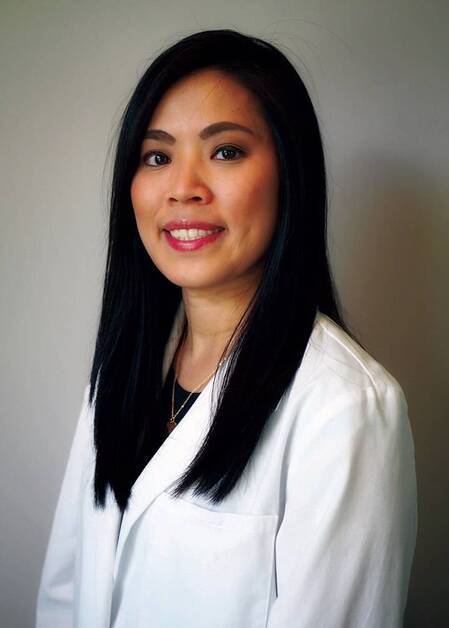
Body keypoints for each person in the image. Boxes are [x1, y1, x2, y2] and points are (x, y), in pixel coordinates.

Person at [36, 28, 417, 628]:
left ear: (289, 171)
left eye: (226, 151)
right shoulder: (119, 375)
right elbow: (64, 594)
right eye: (157, 157)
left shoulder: (345, 407)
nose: (183, 189)